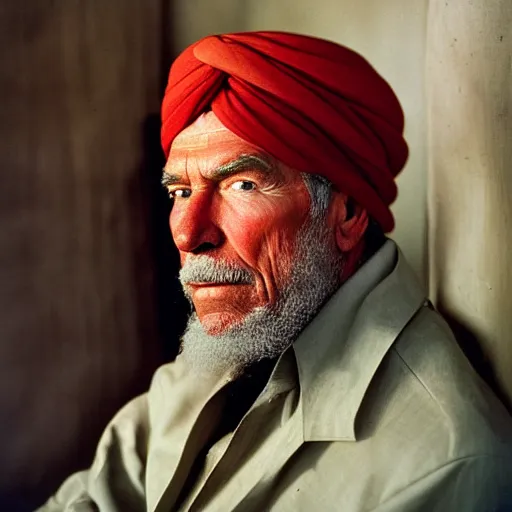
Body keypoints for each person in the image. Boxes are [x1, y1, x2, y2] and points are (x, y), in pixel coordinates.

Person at [38, 31, 512, 512]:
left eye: (241, 184)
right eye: (179, 192)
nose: (187, 234)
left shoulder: (445, 464)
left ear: (347, 213)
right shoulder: (234, 339)